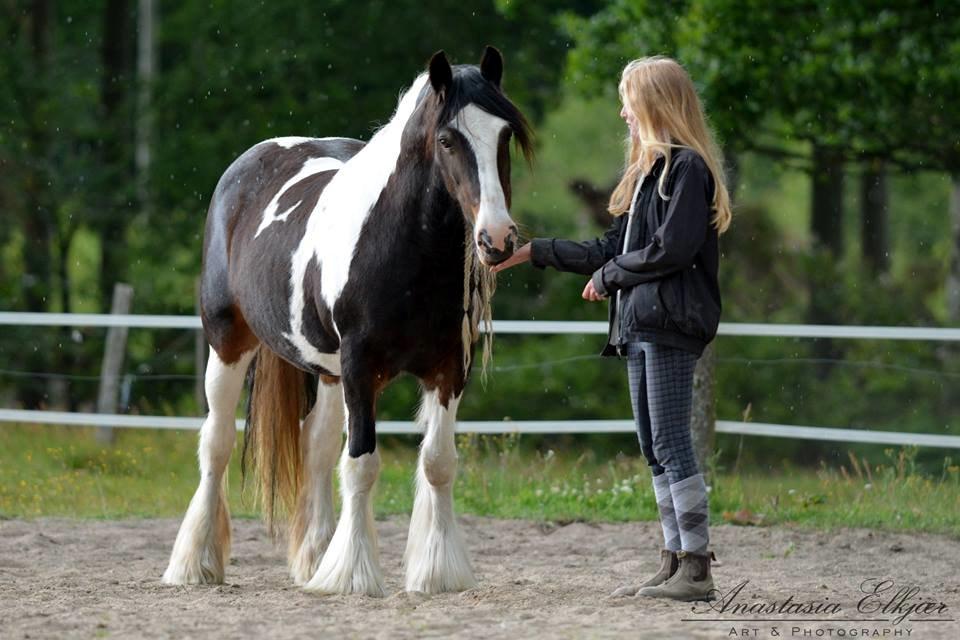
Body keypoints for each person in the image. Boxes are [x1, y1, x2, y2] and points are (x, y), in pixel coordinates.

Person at [492, 56, 732, 602]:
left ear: (653, 104)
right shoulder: (650, 175)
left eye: (628, 100)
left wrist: (609, 275)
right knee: (654, 447)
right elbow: (612, 248)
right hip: (640, 324)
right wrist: (536, 252)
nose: (623, 112)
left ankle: (696, 568)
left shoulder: (687, 171)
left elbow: (671, 250)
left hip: (669, 324)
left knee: (672, 442)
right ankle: (674, 560)